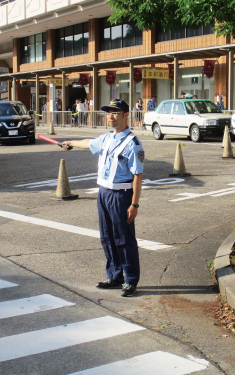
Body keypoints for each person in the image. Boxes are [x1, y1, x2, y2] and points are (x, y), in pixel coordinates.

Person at [62, 99, 144, 297]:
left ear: (126, 115)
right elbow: (88, 143)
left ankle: (130, 280)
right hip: (104, 192)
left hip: (122, 194)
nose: (111, 115)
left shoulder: (133, 144)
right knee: (107, 237)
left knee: (124, 239)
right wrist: (70, 143)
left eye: (115, 112)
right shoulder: (106, 138)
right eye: (109, 112)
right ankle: (115, 276)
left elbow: (137, 175)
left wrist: (134, 204)